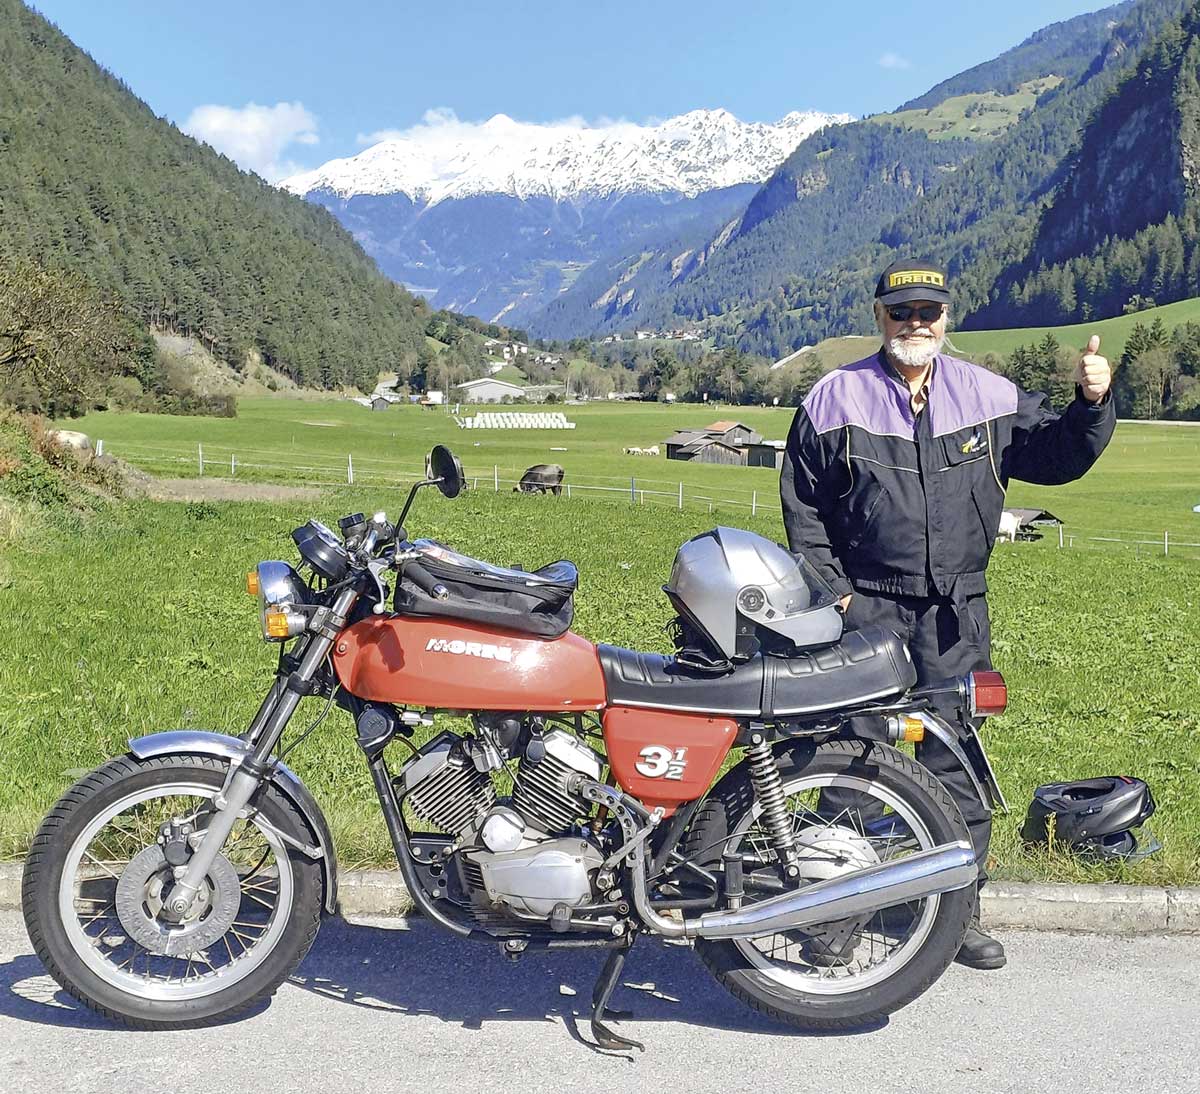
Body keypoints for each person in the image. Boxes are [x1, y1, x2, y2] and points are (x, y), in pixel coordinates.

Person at [779, 259, 1114, 970]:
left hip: (956, 616)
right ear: (878, 318)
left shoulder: (988, 394)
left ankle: (958, 914)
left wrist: (1091, 404)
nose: (916, 324)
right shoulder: (836, 398)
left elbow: (1057, 456)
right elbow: (803, 507)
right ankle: (838, 912)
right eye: (901, 313)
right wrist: (833, 592)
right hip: (864, 609)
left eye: (929, 311)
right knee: (852, 762)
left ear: (946, 317)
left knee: (955, 764)